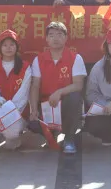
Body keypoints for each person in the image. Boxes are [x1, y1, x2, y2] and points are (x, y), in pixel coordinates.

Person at [29, 22, 86, 154]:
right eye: (51, 35)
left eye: (60, 35)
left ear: (66, 38)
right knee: (32, 123)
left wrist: (59, 92)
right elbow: (35, 86)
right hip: (46, 105)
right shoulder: (39, 59)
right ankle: (52, 133)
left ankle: (69, 139)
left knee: (75, 97)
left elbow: (78, 85)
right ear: (46, 39)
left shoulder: (75, 58)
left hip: (65, 104)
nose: (55, 38)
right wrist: (33, 109)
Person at [0, 30, 33, 153]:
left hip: (18, 111)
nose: (8, 48)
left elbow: (23, 94)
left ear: (17, 47)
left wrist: (10, 109)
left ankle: (14, 138)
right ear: (0, 48)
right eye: (5, 45)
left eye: (12, 44)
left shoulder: (25, 67)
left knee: (12, 138)